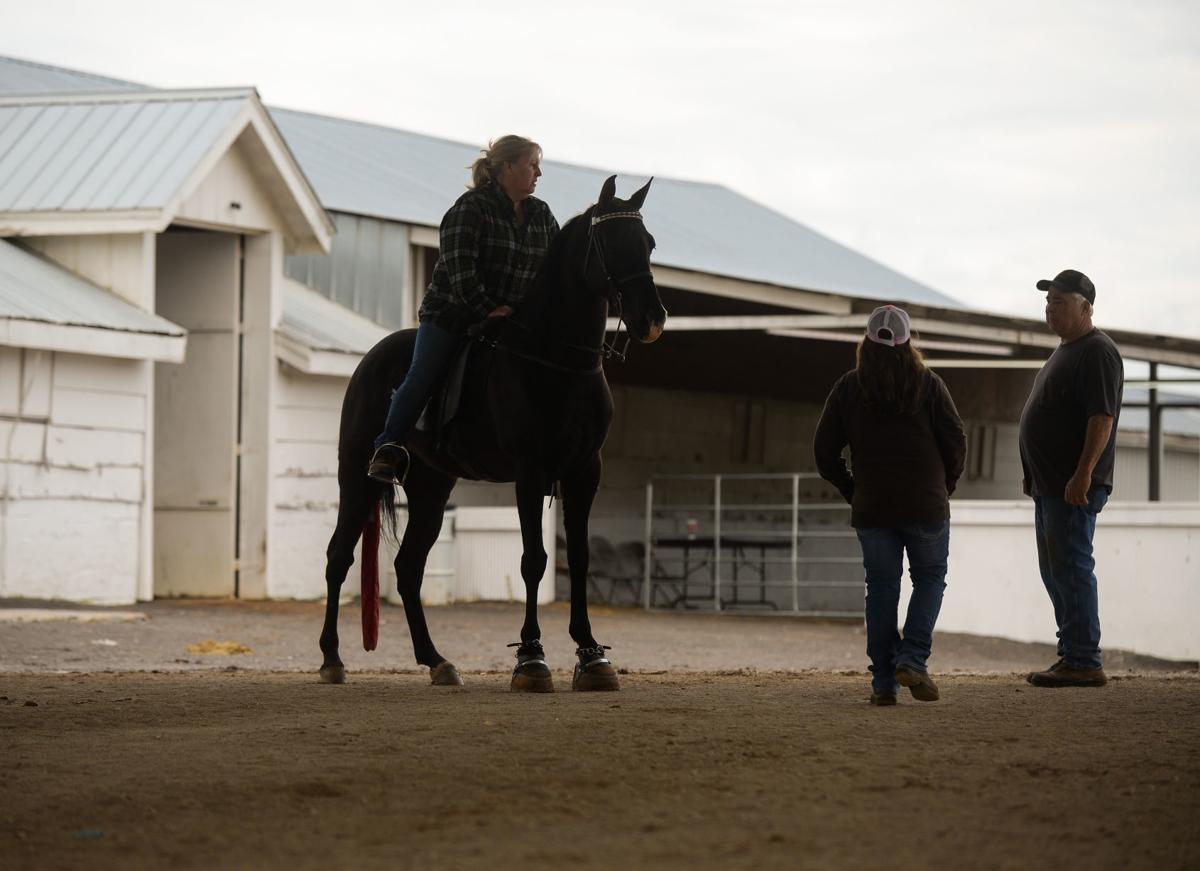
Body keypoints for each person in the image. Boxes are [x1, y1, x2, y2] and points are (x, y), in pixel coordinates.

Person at [367, 135, 559, 484]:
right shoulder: (469, 209)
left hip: (511, 322)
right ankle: (389, 447)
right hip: (453, 315)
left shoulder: (542, 216)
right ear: (508, 167)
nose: (539, 173)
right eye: (533, 164)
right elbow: (460, 270)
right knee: (423, 373)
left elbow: (553, 273)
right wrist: (489, 309)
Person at [813, 305, 967, 706]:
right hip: (926, 504)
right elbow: (955, 439)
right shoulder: (929, 384)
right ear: (908, 343)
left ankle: (884, 683)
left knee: (881, 589)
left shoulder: (848, 387)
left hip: (874, 508)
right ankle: (913, 659)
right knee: (930, 580)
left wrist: (853, 490)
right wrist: (943, 485)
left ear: (865, 343)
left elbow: (824, 452)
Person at [1019, 269, 1123, 688]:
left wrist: (1082, 474)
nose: (1050, 309)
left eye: (1060, 302)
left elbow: (1102, 418)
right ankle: (1072, 654)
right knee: (1056, 569)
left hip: (1072, 486)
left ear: (1087, 308)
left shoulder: (1096, 351)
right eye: (1048, 302)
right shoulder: (1068, 349)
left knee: (1072, 567)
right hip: (1051, 486)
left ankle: (1083, 658)